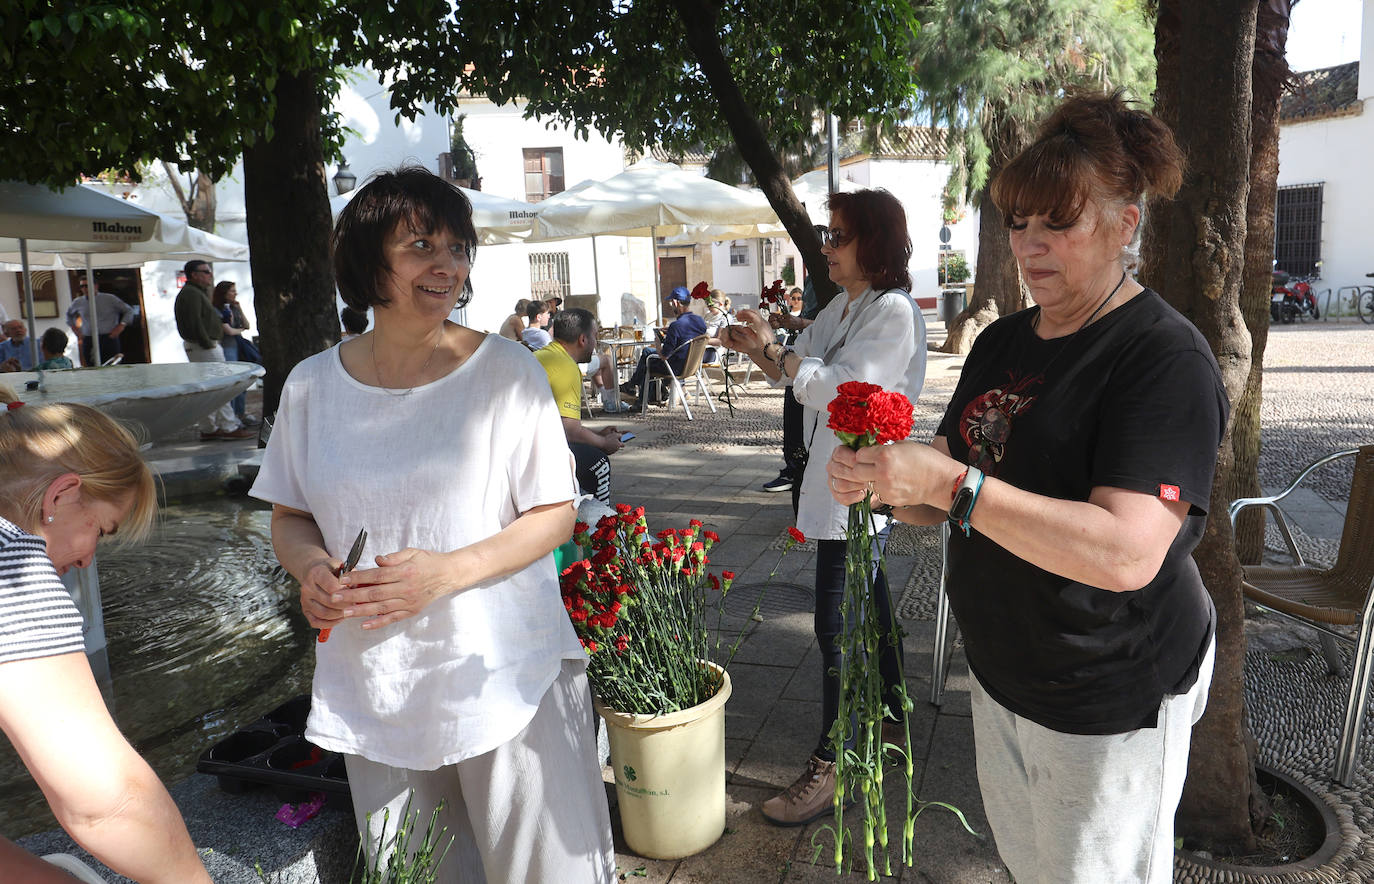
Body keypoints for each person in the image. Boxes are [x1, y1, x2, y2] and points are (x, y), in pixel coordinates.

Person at [827, 92, 1228, 884]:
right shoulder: (1007, 337)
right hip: (1004, 669)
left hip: (1107, 689)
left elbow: (1123, 553)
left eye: (1059, 223)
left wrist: (954, 486)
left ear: (1125, 223)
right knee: (1029, 865)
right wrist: (885, 481)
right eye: (1018, 223)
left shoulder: (1162, 359)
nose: (1030, 247)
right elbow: (937, 483)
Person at [249, 166, 615, 883]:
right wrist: (311, 570)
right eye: (421, 245)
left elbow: (553, 514)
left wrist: (446, 574)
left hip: (503, 674)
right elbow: (291, 516)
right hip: (376, 681)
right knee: (420, 874)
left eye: (457, 246)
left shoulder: (506, 373)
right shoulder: (312, 386)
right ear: (368, 261)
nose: (447, 264)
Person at [719, 188, 926, 826]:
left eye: (838, 235)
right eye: (827, 233)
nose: (827, 246)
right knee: (873, 605)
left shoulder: (892, 312)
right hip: (839, 483)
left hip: (858, 492)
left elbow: (838, 387)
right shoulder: (847, 305)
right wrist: (761, 344)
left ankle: (835, 757)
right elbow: (796, 362)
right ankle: (892, 719)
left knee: (835, 627)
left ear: (875, 243)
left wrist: (782, 355)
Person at [0, 388, 213, 884]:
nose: (87, 559)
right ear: (61, 495)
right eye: (102, 529)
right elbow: (107, 801)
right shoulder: (14, 571)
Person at [535, 308, 623, 504]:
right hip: (530, 453)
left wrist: (598, 435)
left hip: (520, 442)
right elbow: (570, 432)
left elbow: (560, 426)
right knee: (598, 462)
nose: (595, 344)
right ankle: (598, 527)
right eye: (595, 337)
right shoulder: (566, 367)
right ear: (583, 340)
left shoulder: (547, 355)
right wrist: (603, 444)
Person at [175, 261, 253, 440]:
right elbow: (195, 322)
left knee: (209, 388)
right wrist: (207, 343)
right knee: (221, 385)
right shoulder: (192, 293)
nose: (210, 274)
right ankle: (228, 426)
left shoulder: (195, 292)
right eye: (206, 271)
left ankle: (209, 428)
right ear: (194, 274)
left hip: (203, 345)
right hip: (204, 346)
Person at [761, 283, 817, 497]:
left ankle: (798, 467)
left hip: (812, 362)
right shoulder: (820, 275)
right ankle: (794, 467)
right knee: (793, 415)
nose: (827, 250)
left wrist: (799, 323)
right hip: (800, 356)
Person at [619, 286, 707, 409]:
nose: (671, 306)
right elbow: (688, 338)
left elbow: (664, 355)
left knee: (647, 357)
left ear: (676, 302)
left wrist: (657, 342)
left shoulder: (676, 326)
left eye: (671, 303)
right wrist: (669, 333)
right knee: (648, 354)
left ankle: (637, 395)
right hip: (693, 366)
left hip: (675, 368)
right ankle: (640, 391)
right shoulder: (700, 321)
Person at [212, 281, 258, 428]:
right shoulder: (217, 310)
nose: (235, 293)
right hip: (228, 347)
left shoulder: (234, 307)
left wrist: (239, 308)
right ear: (224, 293)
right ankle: (231, 416)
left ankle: (240, 412)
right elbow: (229, 331)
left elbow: (247, 325)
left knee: (243, 381)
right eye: (232, 291)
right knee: (232, 381)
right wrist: (240, 330)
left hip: (239, 346)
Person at [65, 277, 134, 367]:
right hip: (89, 339)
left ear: (96, 286)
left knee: (112, 367)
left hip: (108, 338)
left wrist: (122, 325)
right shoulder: (78, 302)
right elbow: (69, 315)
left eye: (87, 285)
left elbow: (128, 310)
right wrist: (75, 329)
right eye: (82, 286)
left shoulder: (110, 299)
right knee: (91, 367)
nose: (85, 288)